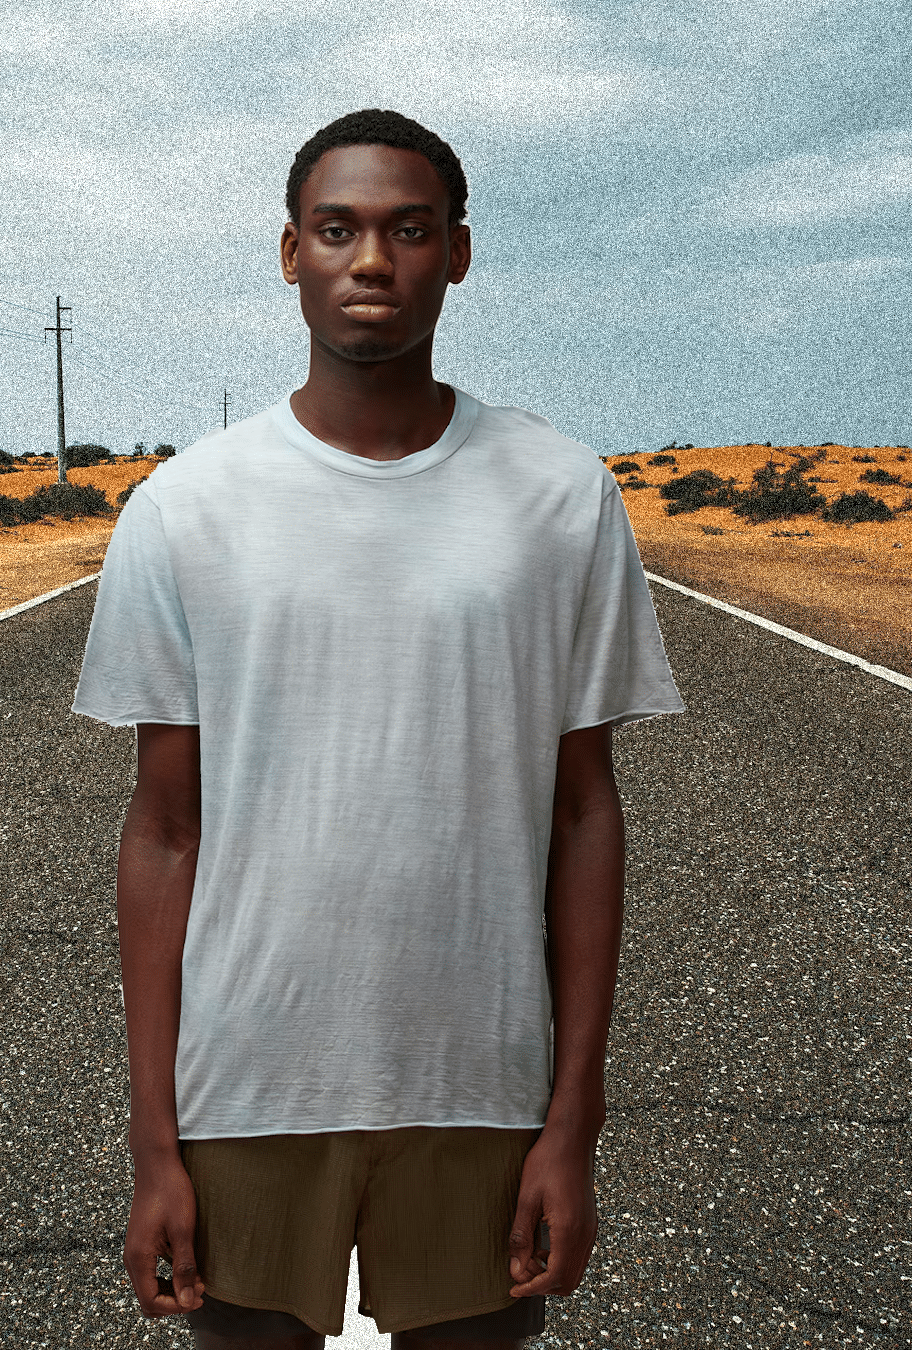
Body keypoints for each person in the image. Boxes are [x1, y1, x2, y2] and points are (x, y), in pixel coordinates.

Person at [72, 108, 685, 1348]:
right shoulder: (185, 508)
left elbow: (584, 812)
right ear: (289, 252)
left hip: (481, 1084)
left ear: (458, 254)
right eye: (337, 229)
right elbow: (165, 830)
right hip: (246, 1085)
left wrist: (574, 1119)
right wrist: (154, 1143)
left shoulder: (561, 494)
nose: (371, 261)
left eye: (408, 230)